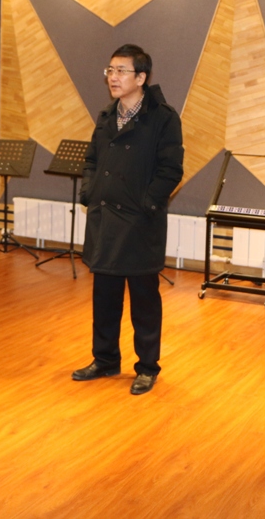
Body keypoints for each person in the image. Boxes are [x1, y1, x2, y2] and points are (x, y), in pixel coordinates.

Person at [72, 44, 183, 396]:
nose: (113, 77)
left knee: (144, 301)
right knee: (104, 296)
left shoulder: (163, 118)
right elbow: (91, 160)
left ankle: (147, 367)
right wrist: (89, 192)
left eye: (121, 71)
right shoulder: (107, 115)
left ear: (141, 77)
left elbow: (171, 170)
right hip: (105, 219)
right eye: (110, 70)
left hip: (139, 223)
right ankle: (104, 359)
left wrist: (147, 204)